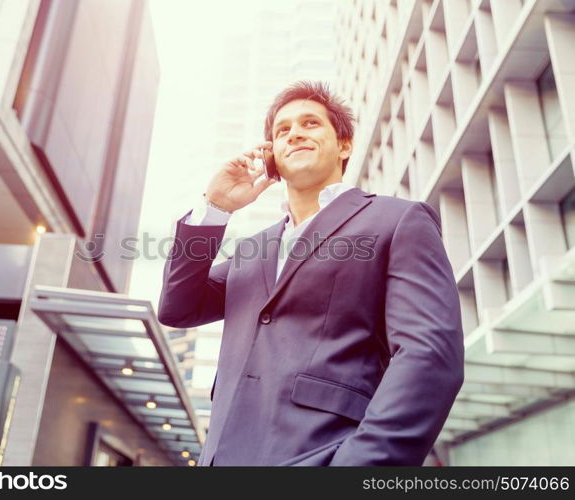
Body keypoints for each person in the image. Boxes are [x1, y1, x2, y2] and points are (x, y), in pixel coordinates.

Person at [158, 80, 464, 466]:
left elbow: (429, 355)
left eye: (310, 124)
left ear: (345, 145)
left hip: (322, 456)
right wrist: (215, 209)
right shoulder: (253, 250)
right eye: (282, 130)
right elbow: (178, 308)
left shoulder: (398, 220)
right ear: (272, 156)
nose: (295, 133)